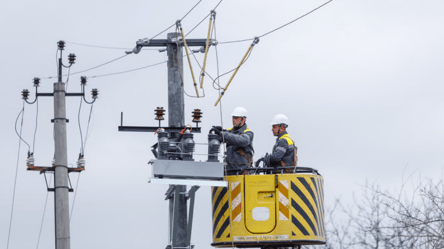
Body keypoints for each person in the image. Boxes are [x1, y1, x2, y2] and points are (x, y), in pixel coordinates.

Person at [211, 107, 254, 175]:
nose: (233, 120)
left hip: (242, 172)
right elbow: (223, 137)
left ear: (243, 119)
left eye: (236, 118)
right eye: (233, 117)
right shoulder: (229, 131)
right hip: (229, 170)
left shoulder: (248, 133)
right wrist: (215, 133)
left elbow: (242, 140)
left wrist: (222, 133)